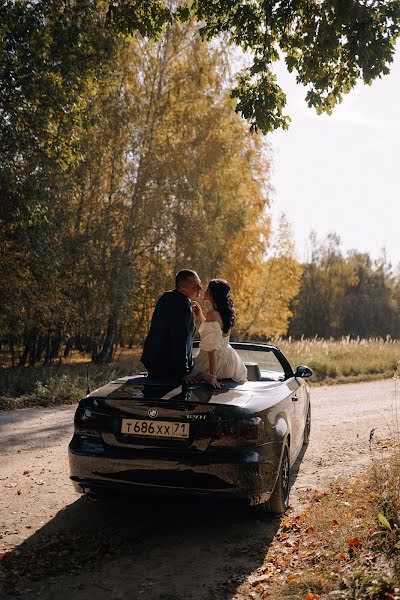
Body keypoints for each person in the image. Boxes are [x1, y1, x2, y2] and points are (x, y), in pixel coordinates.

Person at [141, 269, 202, 380]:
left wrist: (189, 358)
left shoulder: (166, 297)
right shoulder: (183, 306)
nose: (200, 289)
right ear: (183, 289)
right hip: (169, 368)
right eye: (196, 286)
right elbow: (179, 339)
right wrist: (183, 372)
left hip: (153, 363)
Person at [191, 279, 247, 387]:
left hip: (214, 362)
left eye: (207, 289)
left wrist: (212, 376)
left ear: (213, 294)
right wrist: (200, 315)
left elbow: (212, 348)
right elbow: (213, 333)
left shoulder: (212, 314)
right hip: (227, 360)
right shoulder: (222, 313)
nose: (204, 290)